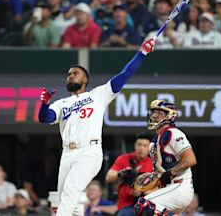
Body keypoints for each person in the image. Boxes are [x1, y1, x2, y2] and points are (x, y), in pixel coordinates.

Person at [38, 37, 156, 215]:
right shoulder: (62, 103)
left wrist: (141, 54)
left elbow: (124, 75)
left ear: (85, 79)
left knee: (70, 190)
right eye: (69, 74)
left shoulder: (97, 95)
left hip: (88, 151)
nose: (70, 76)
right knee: (66, 198)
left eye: (75, 73)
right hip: (68, 153)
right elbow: (45, 118)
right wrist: (45, 104)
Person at [133, 99, 197, 215]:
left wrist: (171, 172)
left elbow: (190, 159)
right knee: (145, 207)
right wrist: (147, 182)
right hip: (168, 188)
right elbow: (160, 173)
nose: (153, 116)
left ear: (169, 116)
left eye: (159, 113)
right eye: (153, 112)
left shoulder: (174, 133)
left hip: (180, 186)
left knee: (144, 205)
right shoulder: (153, 142)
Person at [105, 133, 154, 216]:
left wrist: (142, 192)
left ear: (149, 148)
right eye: (139, 145)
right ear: (135, 145)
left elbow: (160, 186)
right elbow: (108, 177)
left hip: (146, 204)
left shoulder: (153, 163)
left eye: (145, 146)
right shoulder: (124, 158)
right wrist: (121, 173)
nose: (141, 148)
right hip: (126, 205)